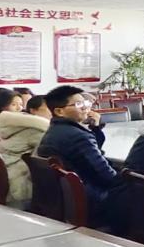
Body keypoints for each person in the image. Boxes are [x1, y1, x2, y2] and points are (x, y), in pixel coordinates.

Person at [36, 85, 126, 227]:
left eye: (85, 103)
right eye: (78, 104)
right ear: (59, 111)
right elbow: (106, 176)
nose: (85, 108)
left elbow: (90, 155)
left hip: (63, 198)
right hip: (91, 199)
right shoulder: (77, 136)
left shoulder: (56, 130)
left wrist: (95, 127)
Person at [0, 95, 51, 207]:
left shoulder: (15, 125)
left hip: (7, 178)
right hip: (20, 184)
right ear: (33, 110)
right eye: (49, 108)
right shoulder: (36, 130)